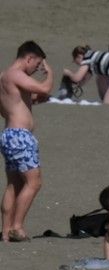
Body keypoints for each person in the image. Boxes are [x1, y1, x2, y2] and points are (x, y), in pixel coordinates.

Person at [2, 41, 53, 242]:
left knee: (14, 185)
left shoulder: (4, 77)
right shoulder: (16, 74)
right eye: (36, 64)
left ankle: (5, 231)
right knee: (34, 182)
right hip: (20, 136)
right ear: (29, 58)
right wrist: (49, 73)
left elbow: (10, 105)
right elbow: (45, 89)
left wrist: (31, 101)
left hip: (8, 134)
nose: (35, 69)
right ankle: (17, 227)